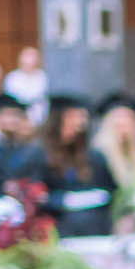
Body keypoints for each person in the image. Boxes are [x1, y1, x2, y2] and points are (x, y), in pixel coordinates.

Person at [36, 95, 119, 237]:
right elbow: (35, 194)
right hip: (57, 226)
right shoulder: (38, 155)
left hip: (95, 227)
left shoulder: (94, 157)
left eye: (82, 118)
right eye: (72, 117)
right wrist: (63, 200)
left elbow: (110, 190)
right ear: (57, 121)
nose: (79, 123)